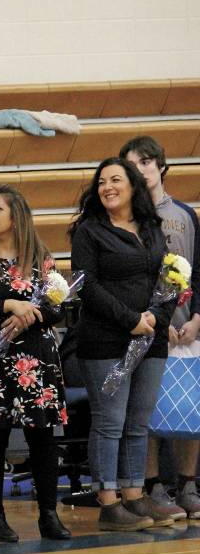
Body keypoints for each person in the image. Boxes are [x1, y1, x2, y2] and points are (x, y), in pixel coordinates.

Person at [70, 157, 179, 530]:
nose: (107, 187)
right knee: (109, 422)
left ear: (133, 185)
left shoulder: (151, 228)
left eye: (116, 179)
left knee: (138, 424)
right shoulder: (89, 231)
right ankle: (108, 502)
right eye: (101, 181)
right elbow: (87, 285)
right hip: (106, 343)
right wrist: (130, 320)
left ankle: (135, 496)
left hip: (151, 341)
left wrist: (154, 321)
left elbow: (170, 280)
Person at [0, 184, 71, 541]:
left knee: (42, 437)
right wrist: (10, 306)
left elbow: (58, 308)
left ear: (16, 216)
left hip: (35, 358)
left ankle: (49, 514)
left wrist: (29, 315)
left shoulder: (41, 258)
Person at [121, 136, 200, 520]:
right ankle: (152, 484)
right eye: (132, 166)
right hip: (150, 329)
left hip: (189, 330)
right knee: (146, 411)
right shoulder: (124, 218)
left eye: (146, 162)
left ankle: (187, 482)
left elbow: (196, 273)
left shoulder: (184, 214)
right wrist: (157, 320)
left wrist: (197, 318)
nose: (141, 171)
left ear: (161, 166)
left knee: (192, 407)